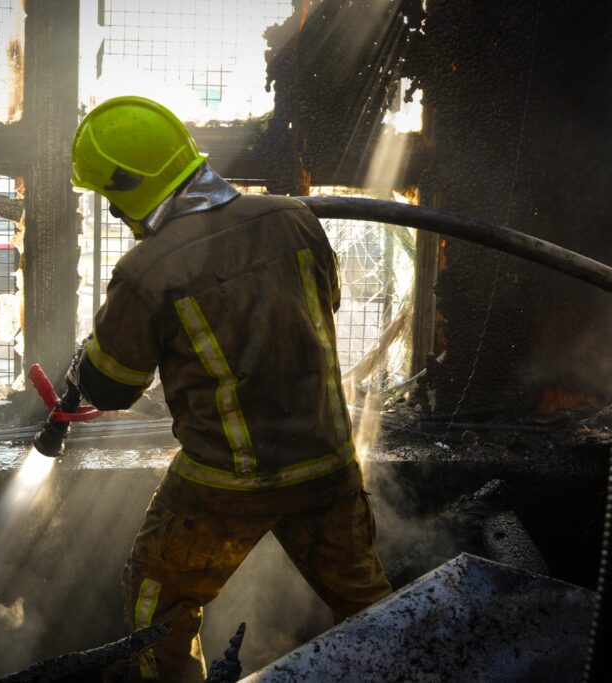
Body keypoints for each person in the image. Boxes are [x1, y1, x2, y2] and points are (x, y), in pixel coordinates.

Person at [64, 96, 392, 681]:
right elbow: (324, 306)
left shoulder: (147, 271)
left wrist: (87, 363)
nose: (112, 211)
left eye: (111, 197)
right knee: (370, 605)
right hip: (328, 464)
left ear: (130, 188)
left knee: (158, 602)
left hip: (224, 483)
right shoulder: (295, 218)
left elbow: (112, 388)